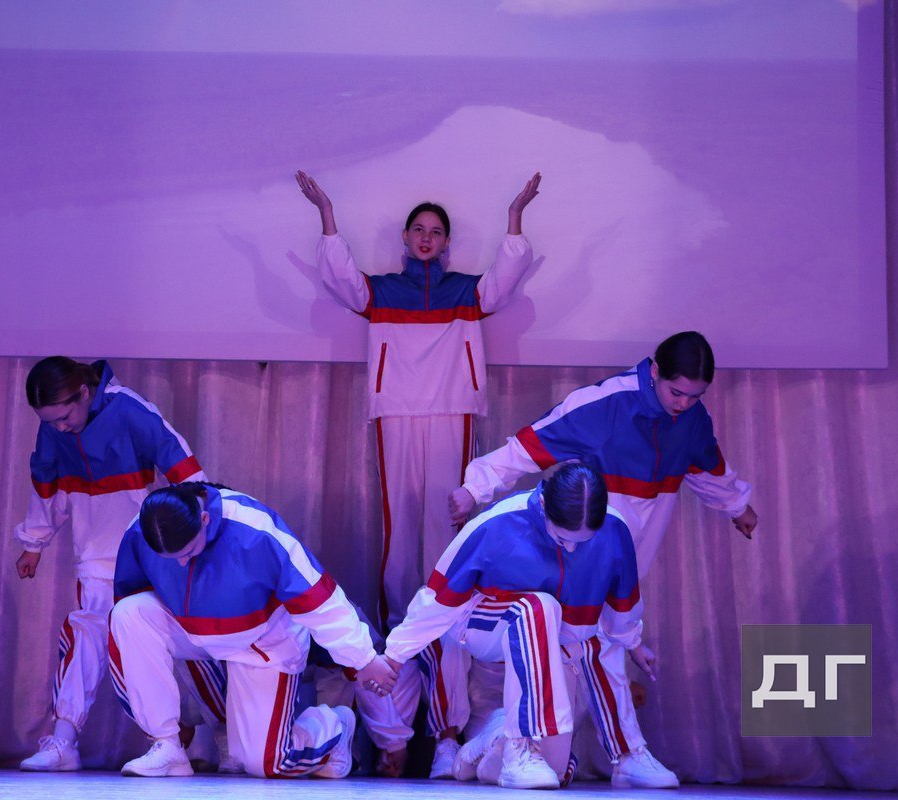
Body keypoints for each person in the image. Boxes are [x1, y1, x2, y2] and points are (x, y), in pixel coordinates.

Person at [297, 169, 541, 775]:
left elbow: (504, 281)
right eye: (419, 230)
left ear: (446, 242)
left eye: (436, 231)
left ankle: (446, 619)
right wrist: (327, 215)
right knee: (399, 525)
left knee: (447, 525)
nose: (427, 238)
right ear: (406, 239)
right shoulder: (383, 291)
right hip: (397, 410)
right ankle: (402, 627)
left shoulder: (465, 291)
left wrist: (516, 217)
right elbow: (343, 281)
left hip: (452, 407)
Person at [449, 331, 758, 788]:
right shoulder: (604, 404)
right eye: (676, 392)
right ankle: (623, 752)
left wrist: (737, 506)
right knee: (597, 642)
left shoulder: (693, 419)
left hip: (631, 551)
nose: (684, 404)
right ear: (654, 370)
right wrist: (474, 487)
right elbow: (530, 446)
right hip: (582, 546)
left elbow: (708, 467)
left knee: (591, 657)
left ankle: (510, 738)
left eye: (695, 396)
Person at [374, 462, 654, 790]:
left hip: (554, 635)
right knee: (538, 606)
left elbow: (622, 600)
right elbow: (438, 599)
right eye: (562, 537)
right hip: (483, 628)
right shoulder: (497, 525)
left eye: (582, 541)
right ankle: (521, 744)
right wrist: (394, 655)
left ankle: (490, 742)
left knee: (557, 770)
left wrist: (633, 641)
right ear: (544, 504)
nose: (571, 548)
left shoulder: (614, 529)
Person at [108, 482, 396, 779]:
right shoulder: (142, 530)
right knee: (129, 612)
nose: (181, 563)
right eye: (170, 558)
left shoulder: (254, 529)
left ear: (205, 519)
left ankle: (335, 726)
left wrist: (363, 658)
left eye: (189, 551)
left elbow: (318, 597)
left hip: (262, 641)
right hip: (195, 631)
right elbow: (133, 610)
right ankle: (167, 745)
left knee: (267, 763)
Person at [13, 357, 206, 771]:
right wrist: (34, 542)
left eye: (65, 417)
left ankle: (192, 736)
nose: (59, 428)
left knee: (172, 641)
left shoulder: (130, 409)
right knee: (85, 633)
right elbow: (46, 484)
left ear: (84, 393)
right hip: (96, 553)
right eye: (50, 422)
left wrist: (199, 532)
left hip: (150, 552)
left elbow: (185, 470)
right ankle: (64, 740)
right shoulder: (54, 428)